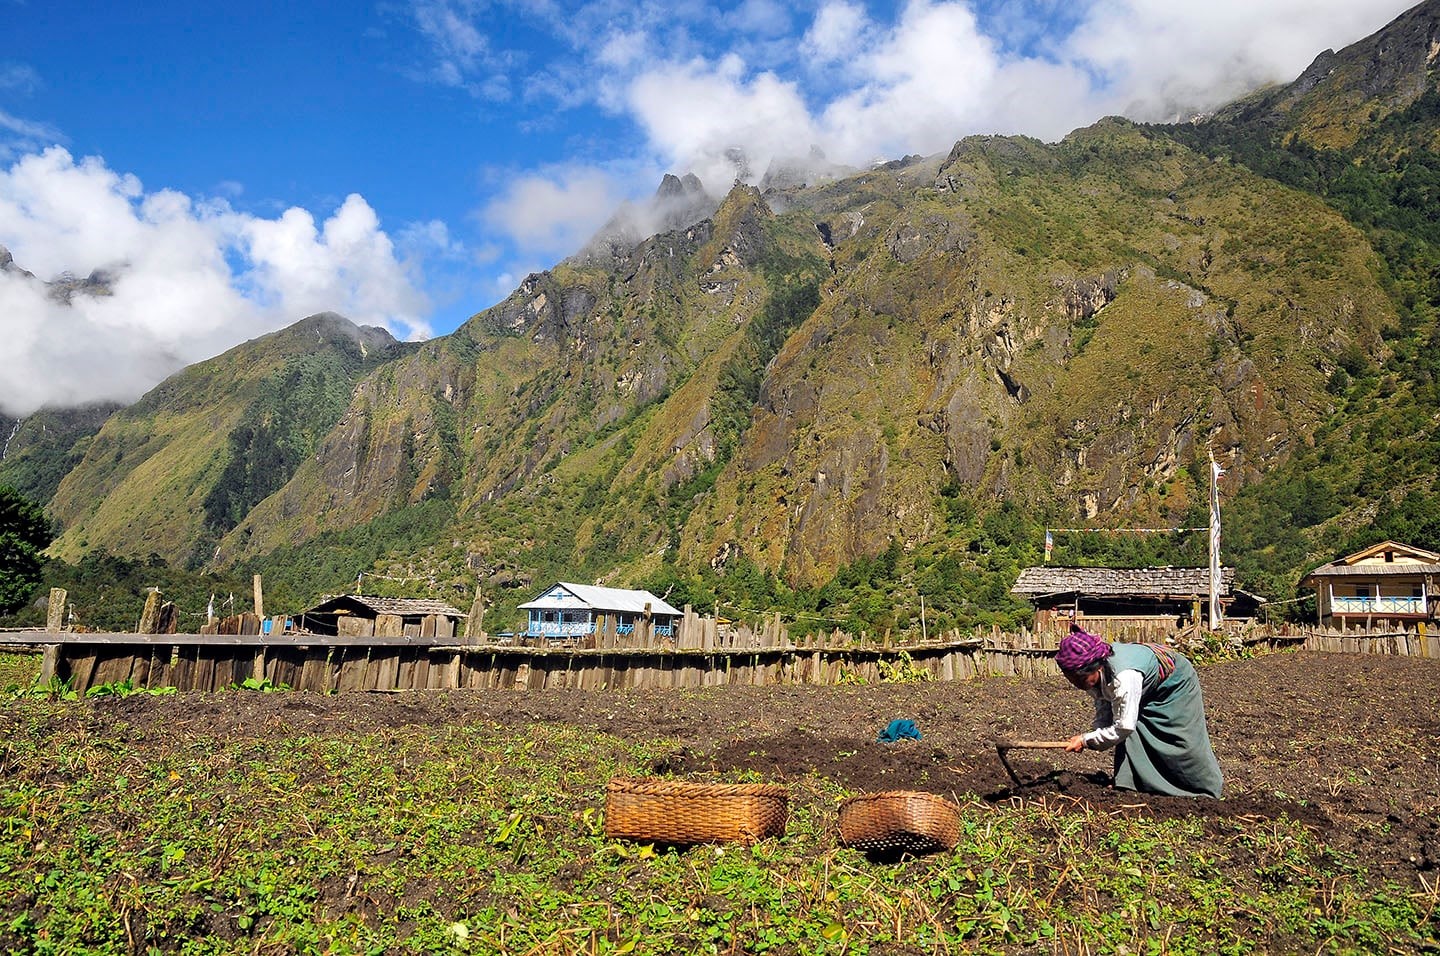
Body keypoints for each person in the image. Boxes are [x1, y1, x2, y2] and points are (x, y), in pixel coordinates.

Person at [1056, 624, 1223, 798]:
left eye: (1079, 679)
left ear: (1096, 668)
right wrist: (1092, 734)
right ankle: (1131, 783)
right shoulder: (1092, 677)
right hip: (1145, 684)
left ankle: (1202, 788)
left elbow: (1124, 726)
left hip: (1174, 683)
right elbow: (1104, 705)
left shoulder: (1124, 677)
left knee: (1180, 739)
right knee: (1133, 730)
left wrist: (1086, 741)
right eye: (1070, 679)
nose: (1075, 684)